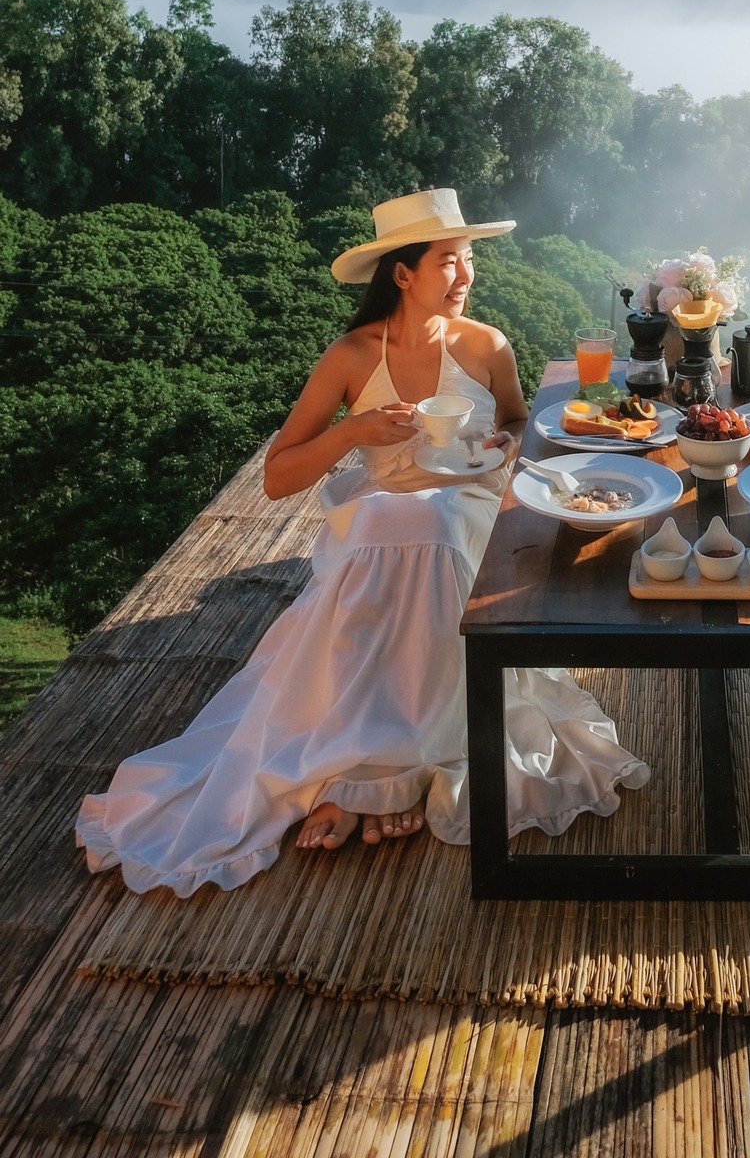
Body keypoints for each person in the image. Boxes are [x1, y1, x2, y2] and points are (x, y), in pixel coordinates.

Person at [78, 189, 649, 897]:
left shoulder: (487, 344)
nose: (465, 276)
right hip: (379, 514)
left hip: (464, 510)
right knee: (394, 519)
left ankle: (375, 776)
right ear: (403, 274)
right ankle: (382, 772)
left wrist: (500, 440)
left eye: (468, 261)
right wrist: (353, 431)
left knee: (432, 525)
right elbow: (279, 477)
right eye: (448, 262)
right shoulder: (351, 355)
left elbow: (513, 423)